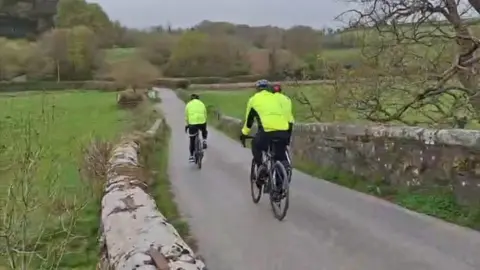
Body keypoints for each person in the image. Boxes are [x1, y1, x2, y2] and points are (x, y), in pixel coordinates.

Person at [239, 79, 291, 188]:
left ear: (257, 89)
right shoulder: (276, 98)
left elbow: (249, 121)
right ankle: (279, 187)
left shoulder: (253, 100)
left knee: (256, 145)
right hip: (283, 130)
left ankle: (261, 167)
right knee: (279, 157)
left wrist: (244, 134)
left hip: (267, 131)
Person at [184, 93, 208, 162]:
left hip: (192, 123)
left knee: (192, 138)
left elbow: (186, 116)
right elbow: (205, 114)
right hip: (202, 122)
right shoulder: (202, 103)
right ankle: (204, 140)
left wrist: (186, 125)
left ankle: (191, 156)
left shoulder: (188, 104)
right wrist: (205, 122)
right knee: (204, 130)